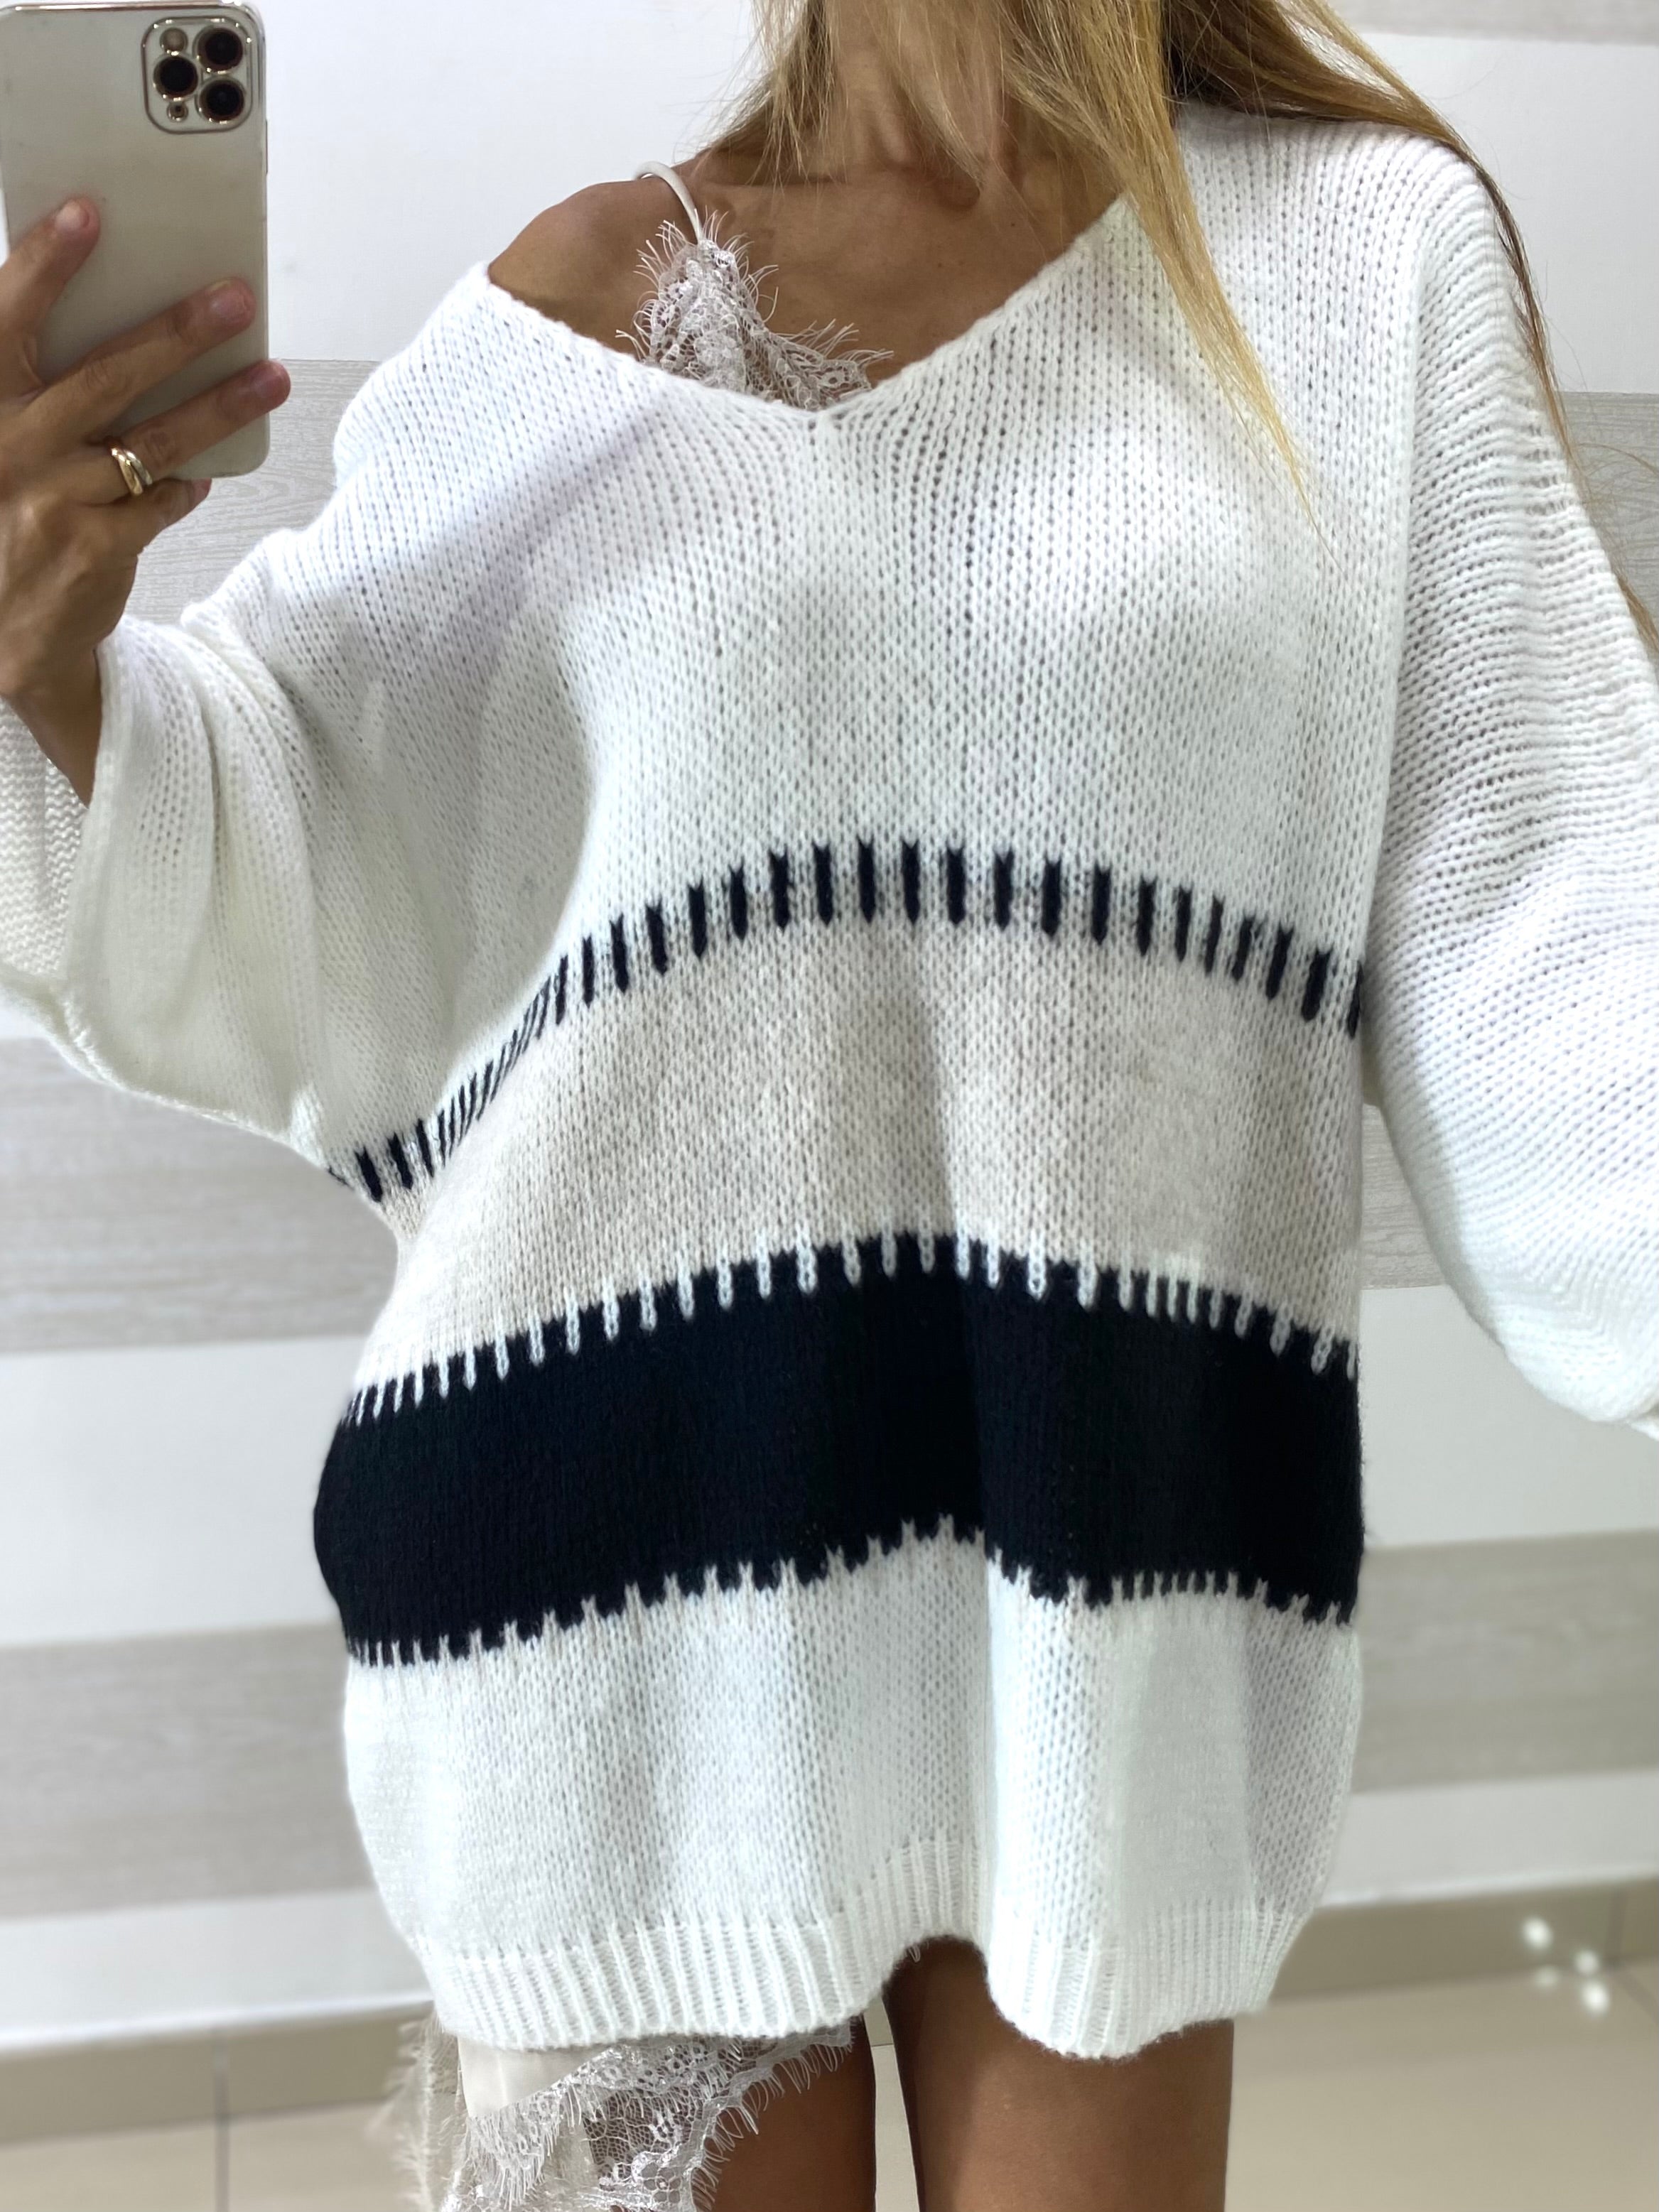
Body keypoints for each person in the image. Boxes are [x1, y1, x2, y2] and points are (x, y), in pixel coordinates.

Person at [2, 2, 1655, 2207]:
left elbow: (1554, 937)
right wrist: (34, 664)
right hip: (602, 1632)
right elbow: (272, 865)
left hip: (1110, 1623)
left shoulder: (1359, 262)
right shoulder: (583, 307)